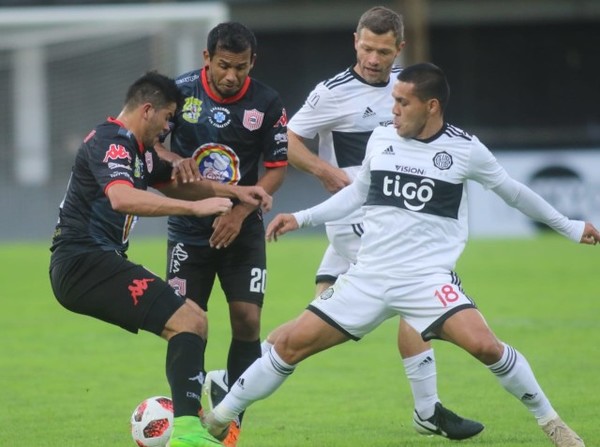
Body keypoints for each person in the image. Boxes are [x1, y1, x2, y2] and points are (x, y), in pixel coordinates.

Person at [203, 63, 598, 447]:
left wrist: (570, 226)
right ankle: (219, 420)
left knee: (487, 347)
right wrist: (301, 217)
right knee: (289, 345)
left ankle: (554, 426)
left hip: (426, 280)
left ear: (432, 107)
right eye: (393, 100)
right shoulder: (382, 139)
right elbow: (358, 194)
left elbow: (513, 192)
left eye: (402, 103)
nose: (392, 110)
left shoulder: (464, 149)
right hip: (368, 277)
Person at [247, 5, 481, 439]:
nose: (374, 59)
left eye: (384, 51)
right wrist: (324, 171)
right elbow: (288, 139)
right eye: (368, 48)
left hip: (386, 218)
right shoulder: (331, 93)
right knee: (419, 290)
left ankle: (238, 375)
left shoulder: (407, 85)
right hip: (357, 220)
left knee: (315, 319)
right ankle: (428, 410)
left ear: (400, 49)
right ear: (356, 41)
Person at [49, 71, 273, 447]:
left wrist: (237, 191)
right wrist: (194, 208)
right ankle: (187, 435)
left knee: (192, 319)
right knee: (188, 319)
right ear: (148, 109)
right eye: (168, 118)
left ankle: (192, 426)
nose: (169, 129)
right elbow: (122, 197)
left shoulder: (136, 151)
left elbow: (177, 181)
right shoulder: (112, 143)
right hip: (83, 263)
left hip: (95, 262)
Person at [155, 22, 288, 447]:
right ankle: (187, 423)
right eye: (224, 66)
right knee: (186, 323)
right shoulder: (179, 94)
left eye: (241, 67)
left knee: (247, 320)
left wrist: (242, 210)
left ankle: (231, 425)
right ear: (207, 59)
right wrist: (173, 157)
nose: (232, 75)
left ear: (253, 63)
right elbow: (149, 143)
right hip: (188, 229)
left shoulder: (266, 102)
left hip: (241, 229)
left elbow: (276, 168)